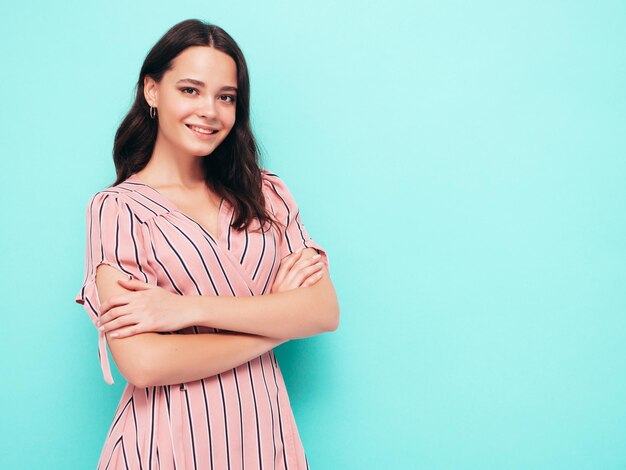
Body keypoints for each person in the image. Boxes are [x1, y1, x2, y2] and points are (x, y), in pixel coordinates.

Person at [74, 18, 339, 469]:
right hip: (165, 442)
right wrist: (277, 321)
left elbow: (322, 312)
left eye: (226, 97)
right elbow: (143, 364)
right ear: (152, 91)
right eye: (190, 90)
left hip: (264, 434)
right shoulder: (117, 210)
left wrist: (187, 310)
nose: (210, 111)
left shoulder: (266, 194)